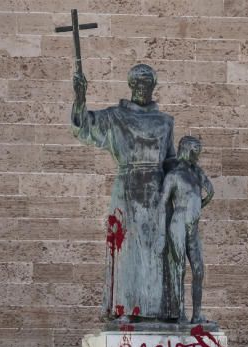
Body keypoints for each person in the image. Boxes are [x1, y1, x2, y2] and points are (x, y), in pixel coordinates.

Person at [71, 63, 176, 322]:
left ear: (153, 87)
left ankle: (157, 311)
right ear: (130, 86)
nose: (142, 88)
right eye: (137, 83)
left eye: (147, 83)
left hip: (157, 192)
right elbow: (84, 128)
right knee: (127, 251)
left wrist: (187, 179)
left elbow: (171, 159)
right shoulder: (115, 116)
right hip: (127, 188)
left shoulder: (165, 122)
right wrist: (80, 99)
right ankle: (125, 309)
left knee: (156, 251)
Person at [158, 135, 214, 324]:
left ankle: (197, 314)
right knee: (179, 267)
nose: (197, 156)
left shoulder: (196, 172)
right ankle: (179, 312)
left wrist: (197, 207)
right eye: (195, 152)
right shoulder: (173, 176)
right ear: (187, 150)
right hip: (178, 223)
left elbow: (210, 192)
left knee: (198, 269)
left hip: (193, 225)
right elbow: (162, 202)